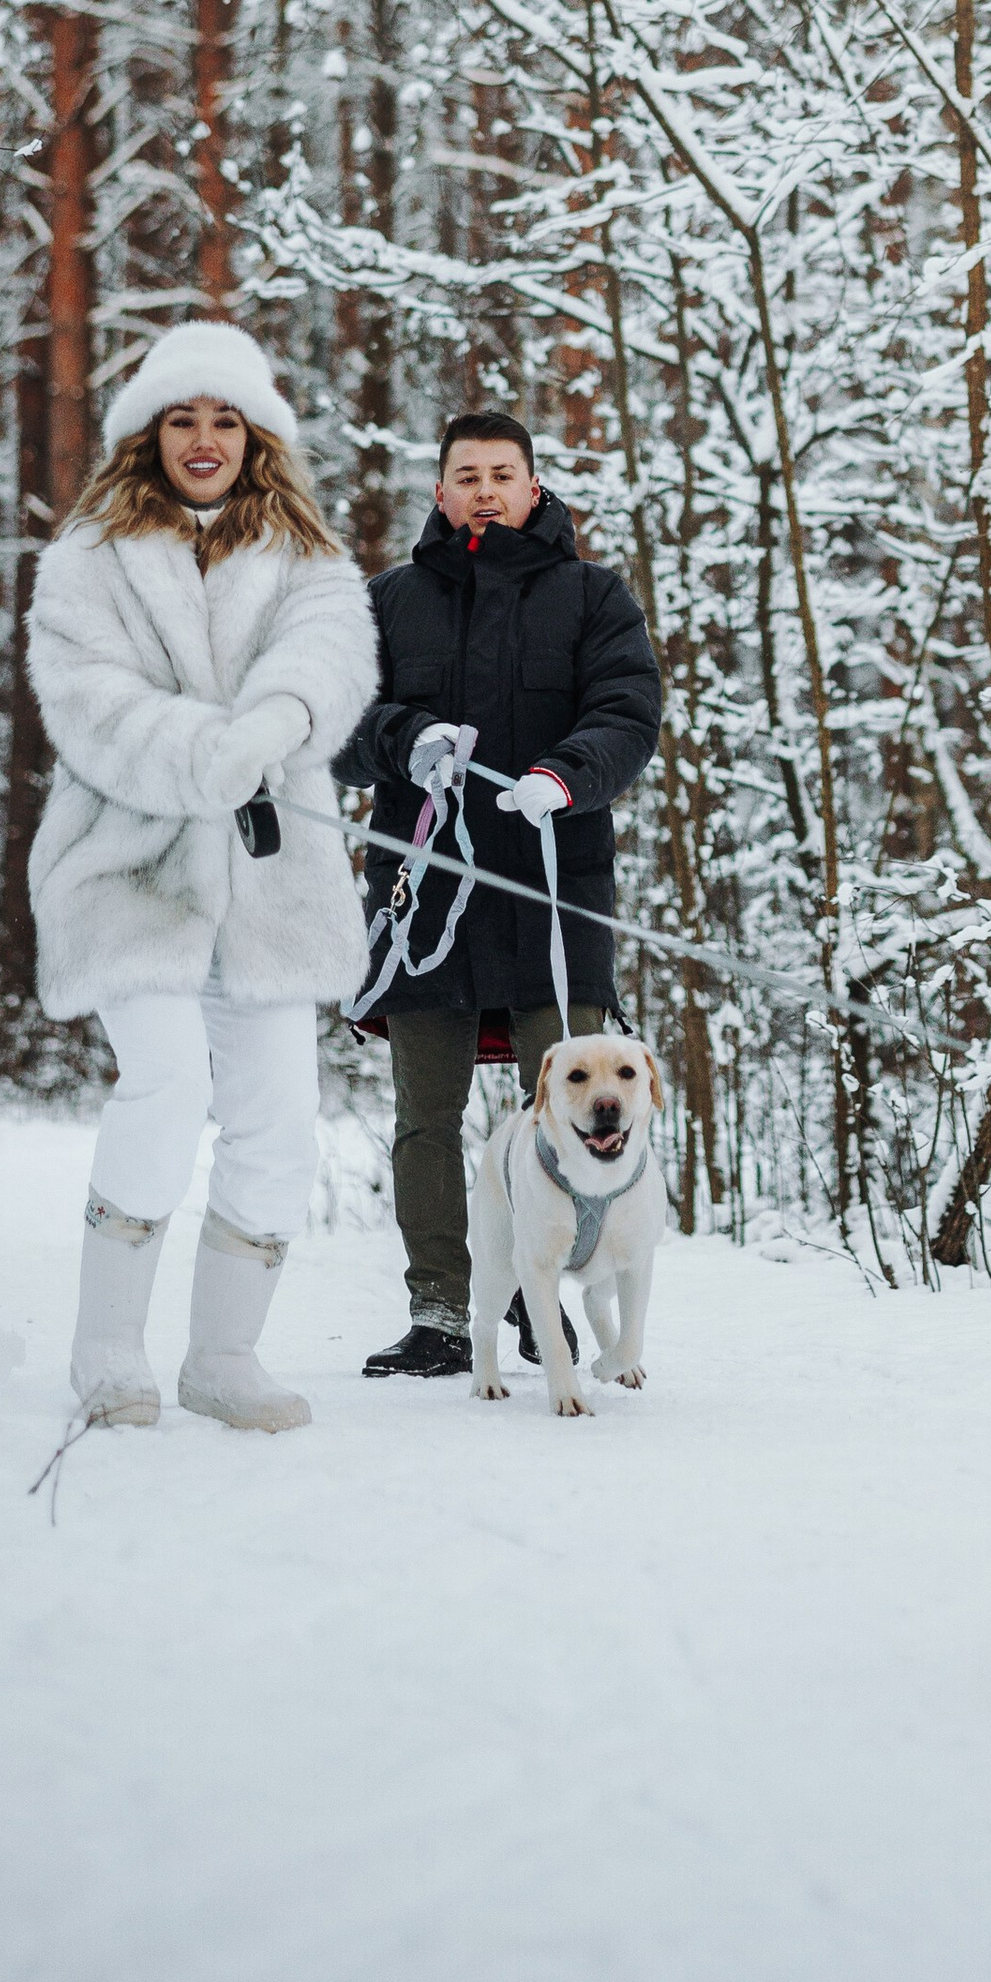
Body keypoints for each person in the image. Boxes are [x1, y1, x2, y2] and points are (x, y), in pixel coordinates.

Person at [26, 322, 376, 1433]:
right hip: (130, 871)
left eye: (226, 419)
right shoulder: (87, 559)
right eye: (184, 418)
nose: (205, 438)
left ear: (257, 435)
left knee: (280, 1119)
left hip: (274, 883)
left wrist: (271, 721)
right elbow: (88, 703)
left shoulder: (309, 557)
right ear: (149, 433)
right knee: (167, 1083)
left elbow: (329, 656)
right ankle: (108, 1352)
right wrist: (202, 754)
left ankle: (224, 1356)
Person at [336, 408, 662, 1378]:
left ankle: (537, 1297)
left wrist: (568, 775)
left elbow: (628, 711)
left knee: (558, 1105)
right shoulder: (387, 602)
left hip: (555, 898)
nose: (485, 489)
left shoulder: (594, 596)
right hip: (422, 900)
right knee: (425, 1119)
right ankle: (440, 1311)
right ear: (440, 493)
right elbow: (341, 725)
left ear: (533, 489)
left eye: (502, 473)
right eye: (466, 475)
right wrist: (406, 740)